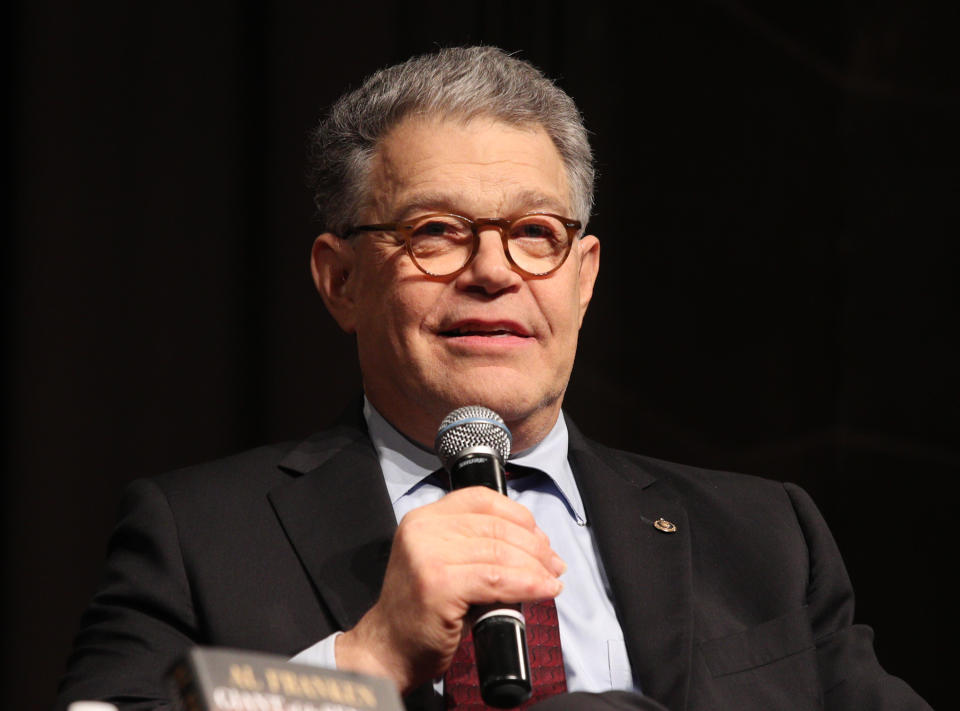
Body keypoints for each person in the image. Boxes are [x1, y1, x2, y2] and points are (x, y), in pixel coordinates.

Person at [55, 46, 931, 711]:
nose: (492, 270)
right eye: (435, 230)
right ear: (341, 280)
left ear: (584, 277)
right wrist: (365, 659)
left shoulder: (765, 538)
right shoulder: (197, 536)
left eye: (535, 233)